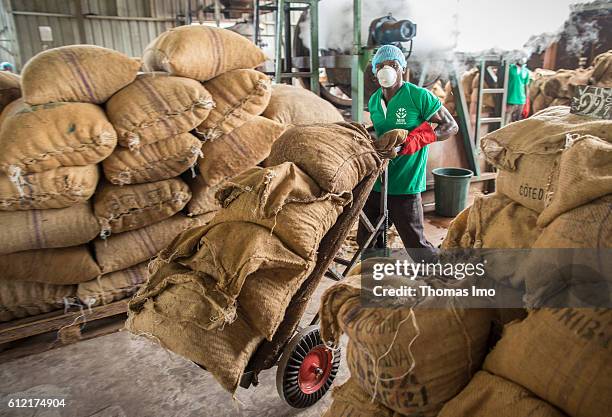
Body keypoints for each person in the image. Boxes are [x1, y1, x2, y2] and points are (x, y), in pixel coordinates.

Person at [357, 45, 458, 260]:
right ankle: (377, 278)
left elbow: (450, 126)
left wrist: (412, 142)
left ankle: (438, 275)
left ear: (402, 68)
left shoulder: (419, 96)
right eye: (381, 66)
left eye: (393, 65)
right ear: (375, 73)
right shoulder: (375, 100)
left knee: (414, 243)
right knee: (367, 240)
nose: (387, 70)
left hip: (405, 183)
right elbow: (381, 129)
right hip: (377, 181)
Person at [505, 58, 530, 124]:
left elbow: (526, 86)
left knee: (517, 121)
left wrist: (526, 100)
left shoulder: (526, 71)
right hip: (510, 98)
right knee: (506, 119)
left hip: (521, 99)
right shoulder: (510, 68)